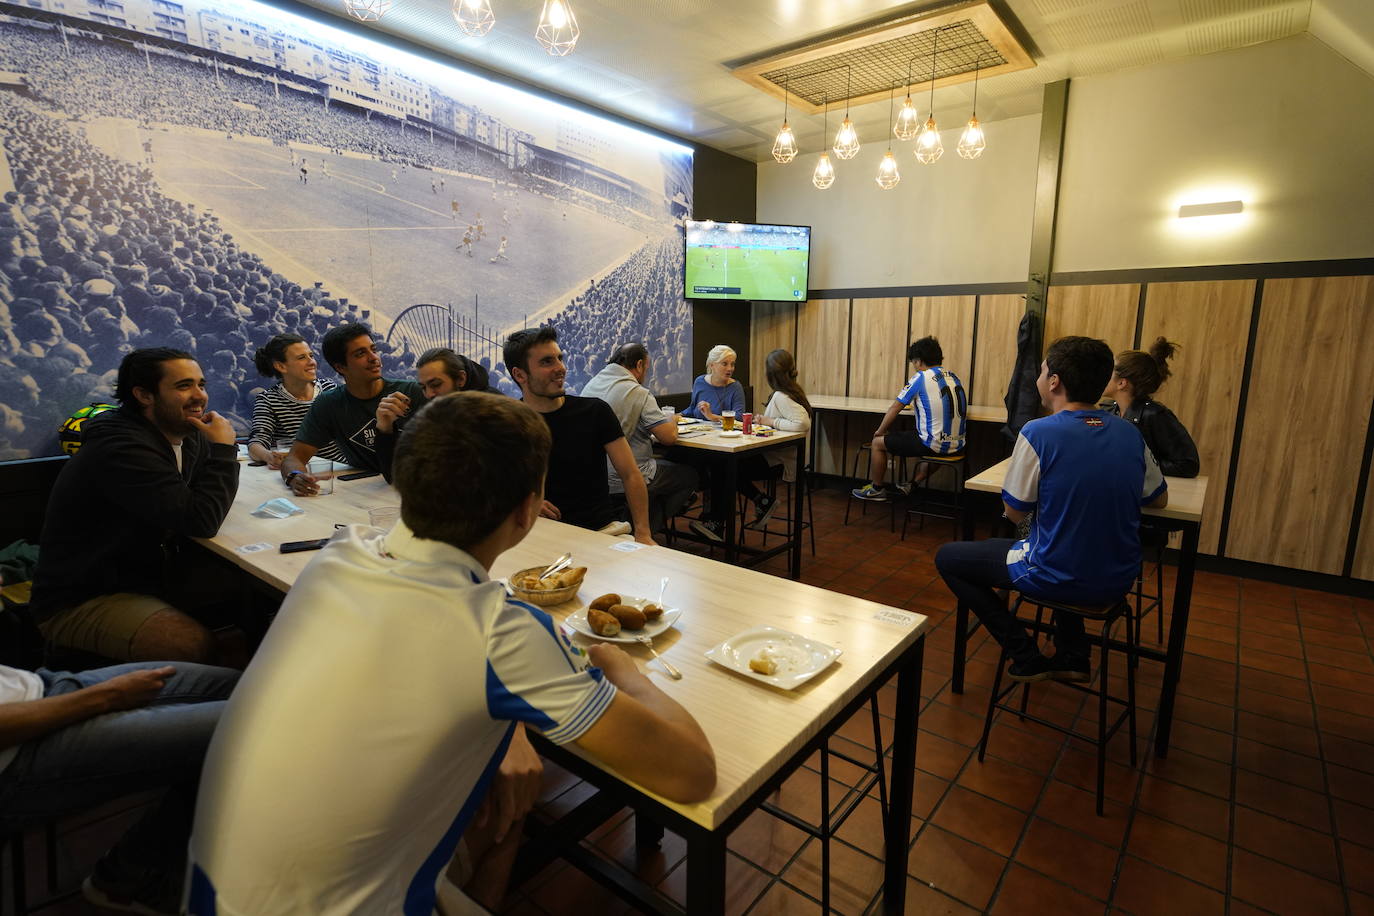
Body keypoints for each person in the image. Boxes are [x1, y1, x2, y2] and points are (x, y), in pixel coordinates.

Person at [187, 392, 715, 914]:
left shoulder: (333, 559)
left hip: (213, 894)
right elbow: (693, 773)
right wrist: (625, 671)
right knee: (503, 801)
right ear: (530, 507)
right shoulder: (499, 633)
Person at [934, 336, 1168, 682]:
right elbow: (1158, 499)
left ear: (1054, 381)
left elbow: (1013, 512)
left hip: (1057, 576)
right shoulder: (1129, 433)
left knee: (948, 558)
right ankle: (1073, 655)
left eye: (1042, 371)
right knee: (1065, 543)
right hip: (1117, 581)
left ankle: (1025, 654)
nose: (1039, 379)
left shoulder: (1038, 432)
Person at [29, 348, 240, 663]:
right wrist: (224, 447)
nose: (199, 396)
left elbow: (196, 499)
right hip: (82, 598)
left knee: (253, 603)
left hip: (147, 575)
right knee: (192, 645)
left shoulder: (187, 432)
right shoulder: (121, 447)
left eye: (201, 384)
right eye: (184, 386)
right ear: (144, 394)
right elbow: (201, 519)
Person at [0, 653, 238, 916]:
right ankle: (128, 878)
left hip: (38, 688)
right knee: (248, 726)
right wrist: (107, 696)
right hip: (18, 756)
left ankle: (137, 869)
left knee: (246, 687)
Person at [503, 328, 655, 545]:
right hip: (537, 535)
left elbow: (630, 475)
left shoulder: (595, 412)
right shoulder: (508, 423)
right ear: (520, 375)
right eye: (547, 362)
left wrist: (643, 533)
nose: (561, 368)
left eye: (559, 358)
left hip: (600, 532)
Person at [280, 323, 423, 494]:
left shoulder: (413, 392)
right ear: (340, 367)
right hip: (369, 492)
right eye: (361, 353)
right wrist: (295, 476)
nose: (374, 358)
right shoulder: (330, 404)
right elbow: (294, 458)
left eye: (373, 349)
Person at [580, 342, 698, 535]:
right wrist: (672, 420)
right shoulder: (637, 392)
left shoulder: (592, 383)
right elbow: (668, 437)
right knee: (689, 476)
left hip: (595, 476)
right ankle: (646, 529)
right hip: (624, 476)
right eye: (646, 369)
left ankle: (638, 524)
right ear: (640, 365)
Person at [852, 336, 967, 501]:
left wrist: (880, 431)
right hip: (957, 444)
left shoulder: (921, 377)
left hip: (931, 444)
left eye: (913, 362)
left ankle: (877, 489)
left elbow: (895, 407)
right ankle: (912, 483)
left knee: (877, 443)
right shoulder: (953, 377)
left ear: (919, 361)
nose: (914, 367)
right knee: (941, 446)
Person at [375, 347, 501, 483]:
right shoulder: (435, 410)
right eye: (423, 387)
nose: (429, 394)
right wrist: (385, 428)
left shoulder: (496, 413)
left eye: (436, 384)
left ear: (461, 378)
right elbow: (397, 477)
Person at [1102, 337, 1200, 477]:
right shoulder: (1107, 411)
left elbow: (1188, 465)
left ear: (1122, 383)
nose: (1102, 376)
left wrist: (1138, 465)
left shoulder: (1156, 416)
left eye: (1109, 372)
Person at [246, 333, 344, 470]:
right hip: (302, 474)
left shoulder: (329, 388)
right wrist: (270, 457)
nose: (312, 362)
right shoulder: (268, 400)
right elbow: (256, 443)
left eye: (311, 355)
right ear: (281, 366)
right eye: (302, 357)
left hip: (342, 470)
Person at [683, 344, 744, 421]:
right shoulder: (699, 382)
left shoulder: (735, 387)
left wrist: (712, 416)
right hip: (699, 430)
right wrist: (677, 416)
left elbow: (739, 419)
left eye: (732, 364)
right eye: (724, 364)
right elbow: (692, 409)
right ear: (712, 365)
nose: (730, 368)